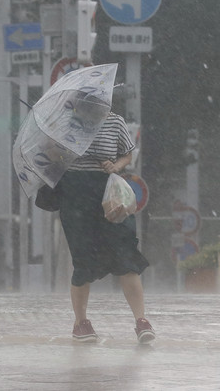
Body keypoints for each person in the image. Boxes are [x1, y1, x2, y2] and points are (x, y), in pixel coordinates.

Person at [56, 109, 155, 344]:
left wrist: (116, 165)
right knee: (82, 259)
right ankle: (81, 323)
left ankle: (141, 320)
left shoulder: (115, 121)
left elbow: (128, 154)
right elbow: (54, 158)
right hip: (75, 194)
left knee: (126, 254)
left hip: (108, 193)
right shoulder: (66, 123)